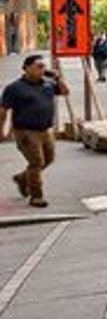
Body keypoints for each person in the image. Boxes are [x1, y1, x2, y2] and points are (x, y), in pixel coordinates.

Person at [1, 55, 68, 209]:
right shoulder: (14, 88)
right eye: (39, 66)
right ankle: (36, 196)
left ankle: (22, 178)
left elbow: (65, 92)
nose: (42, 69)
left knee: (49, 159)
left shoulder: (49, 84)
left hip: (45, 130)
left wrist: (58, 78)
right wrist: (2, 131)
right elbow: (3, 111)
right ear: (26, 68)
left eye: (43, 66)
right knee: (37, 162)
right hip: (25, 131)